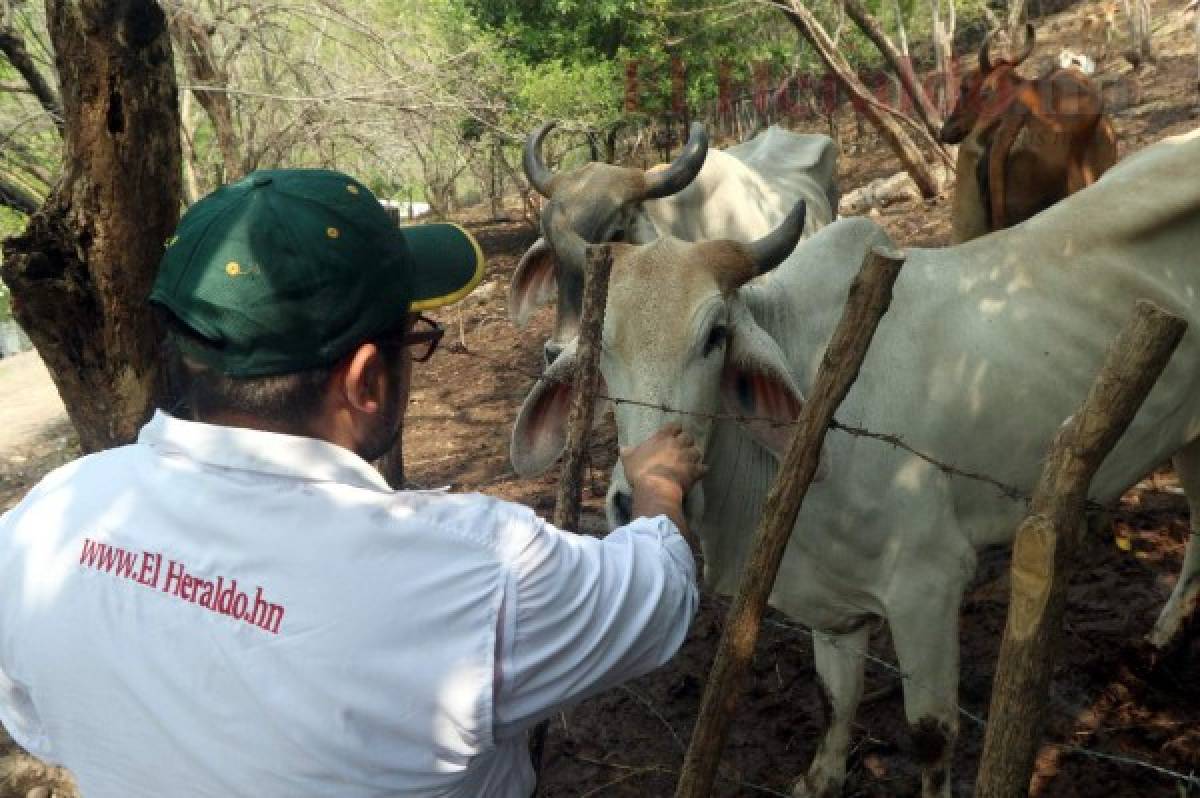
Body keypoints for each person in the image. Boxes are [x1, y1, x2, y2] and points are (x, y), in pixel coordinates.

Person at [0, 169, 705, 796]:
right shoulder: (482, 573)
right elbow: (663, 591)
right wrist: (658, 489)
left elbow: (37, 720)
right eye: (415, 338)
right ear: (367, 380)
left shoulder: (45, 522)